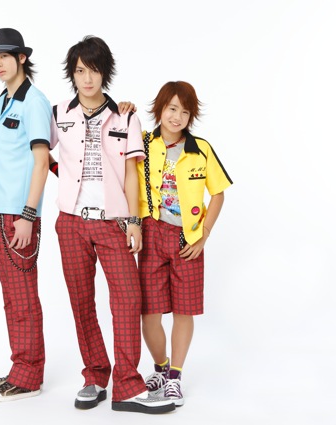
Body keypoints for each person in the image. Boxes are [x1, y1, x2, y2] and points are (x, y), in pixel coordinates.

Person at [48, 35, 175, 414]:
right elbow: (38, 154)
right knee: (81, 302)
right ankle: (94, 376)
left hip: (114, 224)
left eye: (94, 70)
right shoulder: (58, 114)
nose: (87, 79)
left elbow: (133, 172)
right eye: (80, 71)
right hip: (71, 223)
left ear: (105, 73)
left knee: (128, 300)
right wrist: (65, 178)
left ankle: (127, 385)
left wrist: (134, 220)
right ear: (72, 74)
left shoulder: (126, 116)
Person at [136, 81, 233, 406]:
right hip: (151, 234)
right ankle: (160, 368)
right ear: (160, 109)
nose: (177, 117)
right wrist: (123, 109)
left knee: (183, 310)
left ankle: (175, 377)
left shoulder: (200, 149)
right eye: (172, 108)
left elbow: (218, 193)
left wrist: (204, 235)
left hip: (187, 239)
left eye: (185, 112)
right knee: (149, 312)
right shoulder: (143, 143)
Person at [0, 28, 52, 402]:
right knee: (11, 297)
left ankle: (28, 377)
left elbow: (42, 162)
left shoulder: (34, 102)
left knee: (23, 297)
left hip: (18, 216)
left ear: (22, 58)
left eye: (4, 57)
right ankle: (19, 368)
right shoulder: (1, 100)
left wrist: (28, 214)